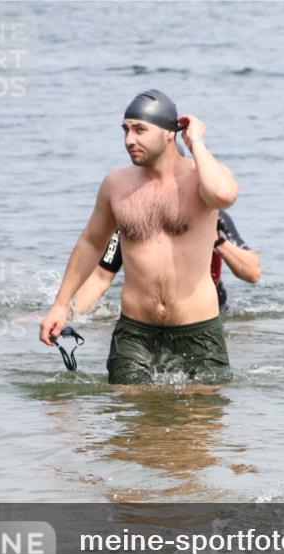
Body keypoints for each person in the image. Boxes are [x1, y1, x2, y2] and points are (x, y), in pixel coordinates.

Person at [39, 89, 238, 384]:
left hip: (198, 332)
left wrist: (196, 141)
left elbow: (223, 195)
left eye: (140, 129)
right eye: (126, 130)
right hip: (135, 334)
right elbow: (91, 242)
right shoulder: (116, 184)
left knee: (201, 426)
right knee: (129, 424)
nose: (129, 139)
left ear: (169, 134)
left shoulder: (200, 176)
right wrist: (60, 304)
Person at [73, 210, 260, 315]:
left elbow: (252, 273)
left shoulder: (212, 216)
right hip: (150, 315)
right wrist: (68, 315)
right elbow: (100, 278)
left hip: (209, 312)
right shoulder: (131, 220)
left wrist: (217, 241)